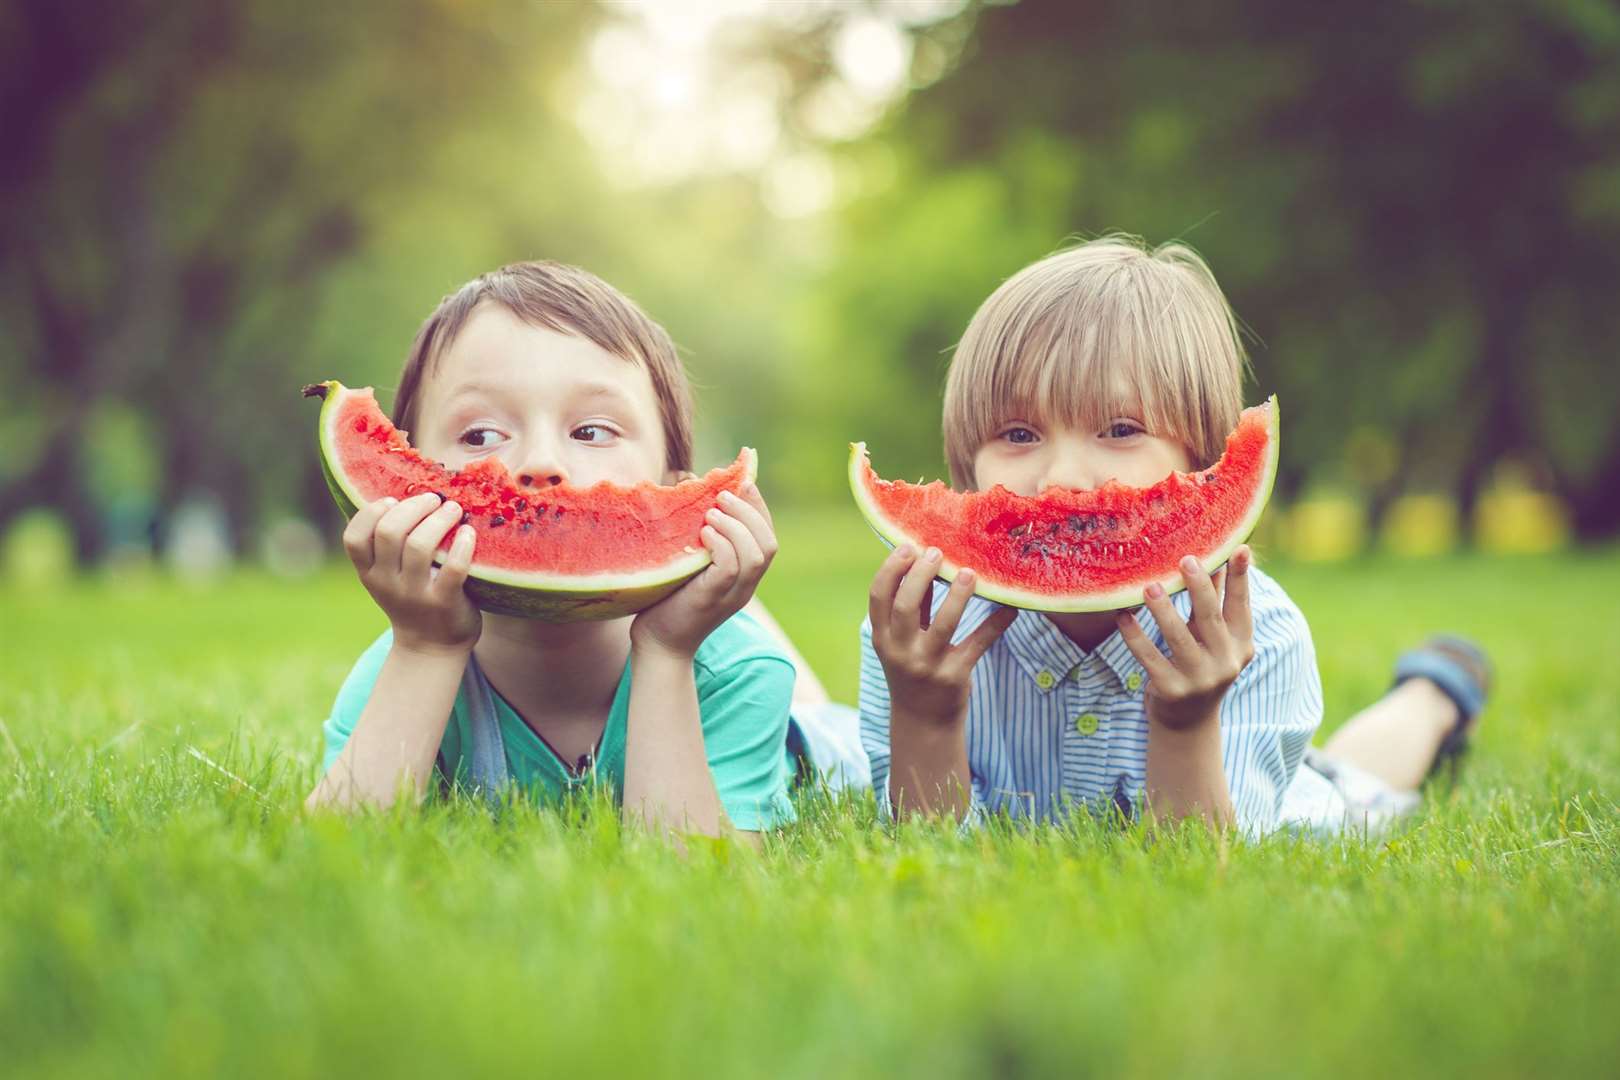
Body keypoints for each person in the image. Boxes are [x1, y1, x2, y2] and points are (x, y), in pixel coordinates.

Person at [858, 236, 1491, 835]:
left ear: (1203, 462)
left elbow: (1201, 866)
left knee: (1354, 790)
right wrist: (924, 715)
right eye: (1019, 435)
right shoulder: (917, 636)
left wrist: (1187, 724)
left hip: (1268, 802)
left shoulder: (1258, 637)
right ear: (969, 465)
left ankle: (1433, 692)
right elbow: (931, 852)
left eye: (1121, 428)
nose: (1064, 480)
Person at [305, 261, 799, 846]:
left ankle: (766, 628)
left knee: (816, 718)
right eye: (480, 436)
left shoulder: (737, 673)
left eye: (590, 431)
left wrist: (667, 651)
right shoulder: (399, 661)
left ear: (674, 486)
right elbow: (332, 857)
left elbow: (697, 880)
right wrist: (426, 650)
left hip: (803, 727)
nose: (540, 462)